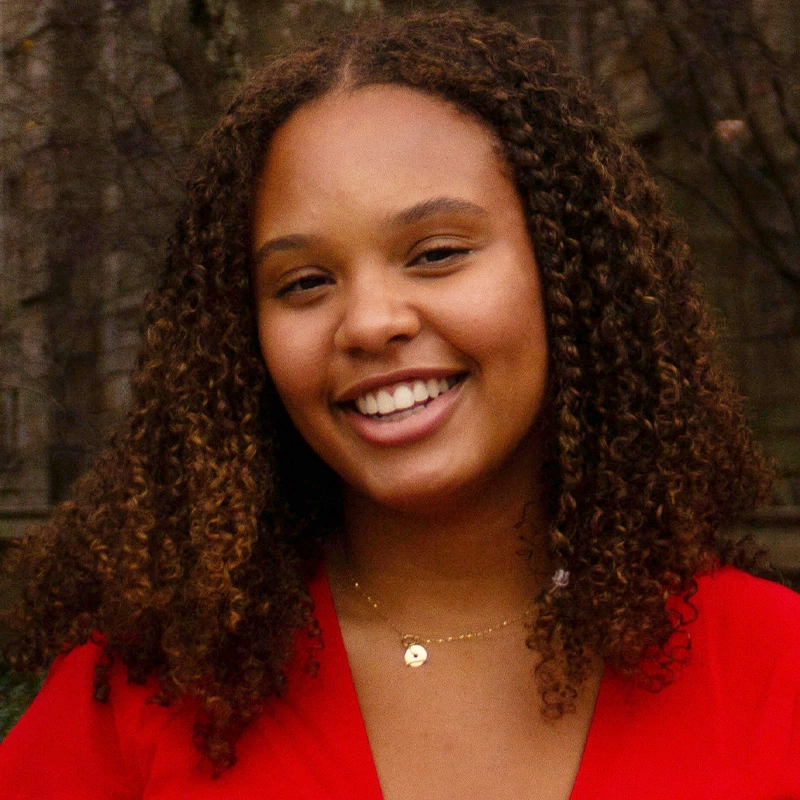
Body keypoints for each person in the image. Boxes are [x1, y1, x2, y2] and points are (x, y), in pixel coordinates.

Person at [1, 9, 798, 799]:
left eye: (437, 253)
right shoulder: (147, 691)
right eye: (304, 282)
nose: (371, 323)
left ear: (569, 273)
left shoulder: (776, 671)